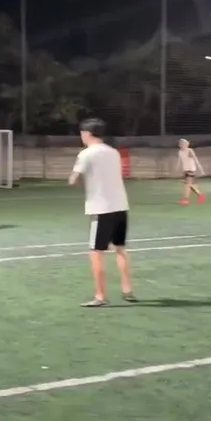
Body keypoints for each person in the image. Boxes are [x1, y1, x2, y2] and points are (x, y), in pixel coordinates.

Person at [69, 118, 136, 307]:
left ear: (87, 133)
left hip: (101, 208)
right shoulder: (113, 152)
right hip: (120, 205)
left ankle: (100, 296)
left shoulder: (86, 154)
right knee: (120, 248)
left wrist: (85, 185)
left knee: (96, 252)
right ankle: (127, 289)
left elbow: (73, 179)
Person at [176, 138, 205, 205]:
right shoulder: (180, 151)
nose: (181, 145)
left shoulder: (189, 150)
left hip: (191, 169)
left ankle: (186, 200)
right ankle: (200, 195)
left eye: (183, 143)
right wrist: (177, 168)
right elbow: (179, 160)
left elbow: (195, 159)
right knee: (190, 185)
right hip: (185, 170)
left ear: (187, 144)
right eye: (180, 144)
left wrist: (201, 169)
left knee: (187, 185)